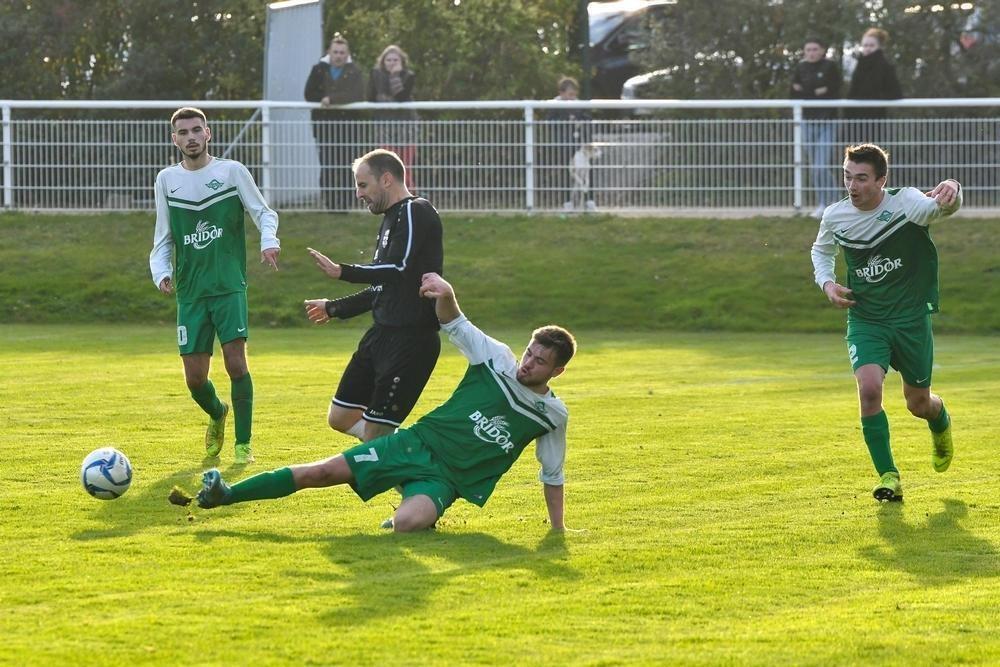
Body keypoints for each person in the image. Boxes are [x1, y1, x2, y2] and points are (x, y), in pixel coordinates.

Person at [175, 273, 576, 534]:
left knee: (406, 523)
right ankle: (225, 494)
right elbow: (457, 325)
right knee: (322, 472)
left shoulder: (552, 415)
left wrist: (557, 530)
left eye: (540, 362)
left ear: (556, 372)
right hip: (414, 444)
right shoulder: (497, 360)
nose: (528, 364)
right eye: (529, 353)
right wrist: (447, 294)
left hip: (445, 480)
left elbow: (552, 473)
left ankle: (419, 506)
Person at [810, 143, 960, 502]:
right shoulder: (836, 215)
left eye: (861, 178)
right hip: (867, 318)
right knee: (870, 390)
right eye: (848, 176)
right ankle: (888, 476)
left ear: (881, 180)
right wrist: (828, 283)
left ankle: (940, 423)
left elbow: (940, 208)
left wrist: (952, 187)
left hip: (910, 320)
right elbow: (821, 250)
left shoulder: (905, 203)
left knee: (918, 403)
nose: (852, 185)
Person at [149, 107, 281, 464]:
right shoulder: (166, 180)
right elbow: (164, 234)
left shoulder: (231, 172)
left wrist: (269, 240)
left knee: (236, 365)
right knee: (195, 380)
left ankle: (243, 445)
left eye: (196, 130)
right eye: (183, 132)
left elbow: (263, 212)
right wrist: (160, 270)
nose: (190, 137)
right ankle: (218, 411)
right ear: (174, 139)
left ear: (208, 134)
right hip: (191, 292)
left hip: (228, 285)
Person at [303, 149, 443, 443]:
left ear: (387, 179)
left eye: (363, 185)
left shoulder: (415, 211)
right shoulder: (391, 218)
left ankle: (416, 477)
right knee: (340, 417)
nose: (358, 194)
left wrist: (343, 271)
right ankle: (392, 450)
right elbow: (385, 284)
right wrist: (334, 307)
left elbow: (397, 268)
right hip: (380, 335)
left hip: (411, 341)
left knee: (378, 433)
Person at [304, 33, 366, 211]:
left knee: (347, 165)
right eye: (335, 52)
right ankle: (330, 205)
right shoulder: (318, 69)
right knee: (328, 164)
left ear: (347, 54)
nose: (338, 55)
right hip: (324, 126)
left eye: (342, 52)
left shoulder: (354, 71)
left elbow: (357, 94)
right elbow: (309, 94)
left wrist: (331, 99)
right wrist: (323, 99)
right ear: (329, 52)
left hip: (349, 127)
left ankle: (345, 204)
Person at [790, 37, 842, 218]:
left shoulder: (830, 67)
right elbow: (794, 91)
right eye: (808, 50)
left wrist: (808, 89)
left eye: (815, 49)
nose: (811, 53)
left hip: (827, 121)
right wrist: (815, 89)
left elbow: (833, 90)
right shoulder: (800, 68)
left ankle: (835, 202)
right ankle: (824, 203)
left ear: (822, 50)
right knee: (815, 167)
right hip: (806, 121)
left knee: (821, 165)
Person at [368, 44, 419, 191]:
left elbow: (402, 97)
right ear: (383, 62)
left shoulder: (409, 76)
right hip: (384, 126)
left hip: (406, 126)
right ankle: (390, 198)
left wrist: (394, 76)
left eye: (395, 60)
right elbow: (370, 97)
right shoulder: (375, 75)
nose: (392, 63)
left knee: (405, 166)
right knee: (387, 166)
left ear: (402, 61)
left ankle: (410, 196)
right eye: (388, 60)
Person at [547, 76, 594, 211]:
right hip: (564, 144)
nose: (573, 97)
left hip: (579, 145)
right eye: (570, 94)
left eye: (574, 94)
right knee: (566, 172)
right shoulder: (554, 105)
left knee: (587, 171)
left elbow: (587, 119)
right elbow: (550, 122)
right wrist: (565, 122)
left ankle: (589, 200)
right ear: (561, 93)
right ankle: (567, 202)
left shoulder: (579, 105)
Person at [846, 28, 903, 140]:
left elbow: (895, 92)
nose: (867, 48)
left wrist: (875, 99)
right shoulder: (860, 64)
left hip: (875, 118)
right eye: (865, 45)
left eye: (871, 45)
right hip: (855, 118)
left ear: (880, 46)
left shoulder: (885, 66)